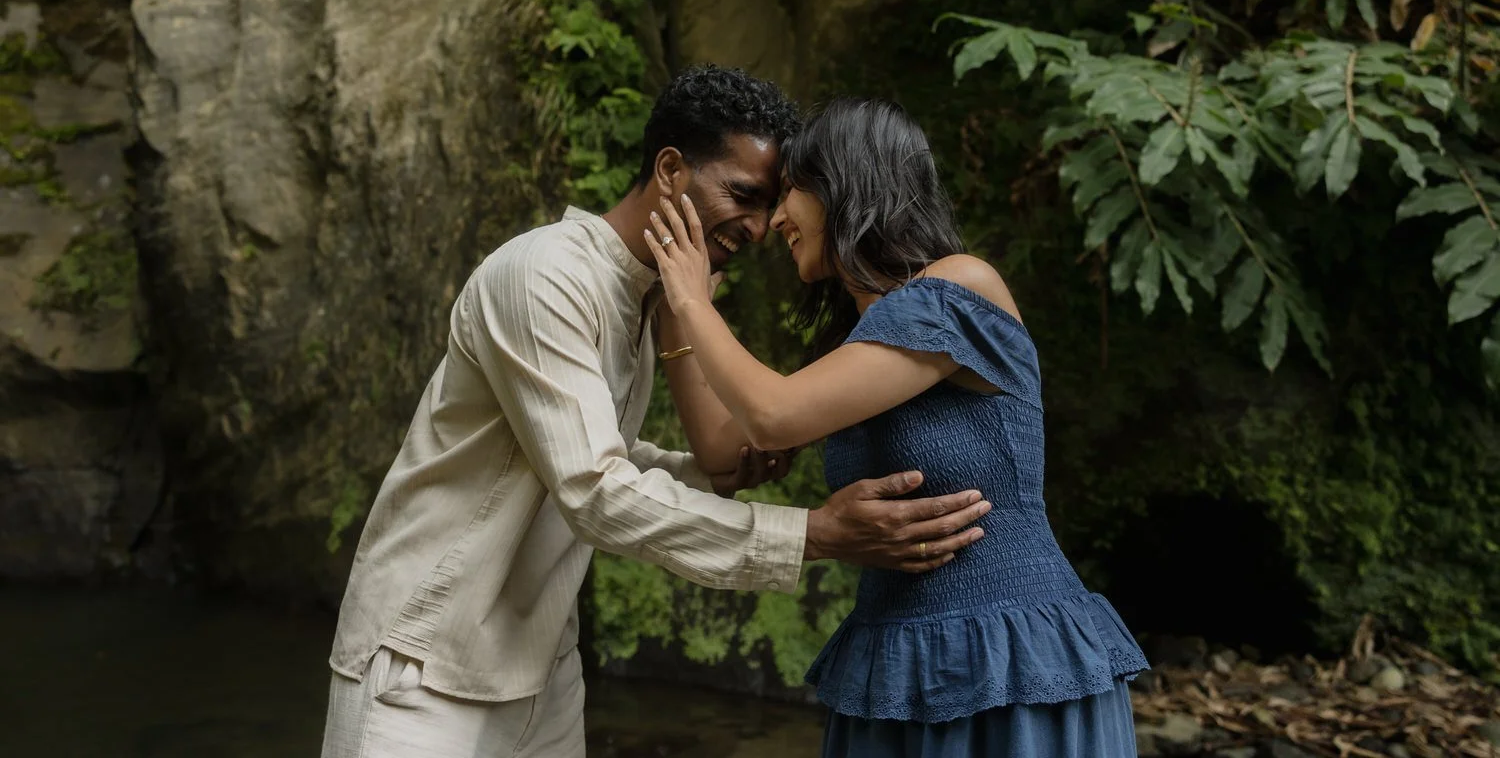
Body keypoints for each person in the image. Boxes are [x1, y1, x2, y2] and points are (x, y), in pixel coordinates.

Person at [321, 68, 994, 758]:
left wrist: (709, 476)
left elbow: (588, 453)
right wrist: (810, 536)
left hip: (542, 673)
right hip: (421, 664)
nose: (760, 229)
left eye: (770, 206)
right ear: (670, 169)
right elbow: (594, 490)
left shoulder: (651, 298)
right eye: (742, 195)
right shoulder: (545, 275)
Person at [645, 97, 1150, 758]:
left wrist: (688, 294)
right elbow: (725, 452)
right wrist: (674, 319)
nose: (771, 224)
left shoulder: (959, 289)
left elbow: (771, 416)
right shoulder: (861, 346)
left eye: (790, 192)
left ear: (844, 183)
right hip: (897, 663)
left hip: (1010, 660)